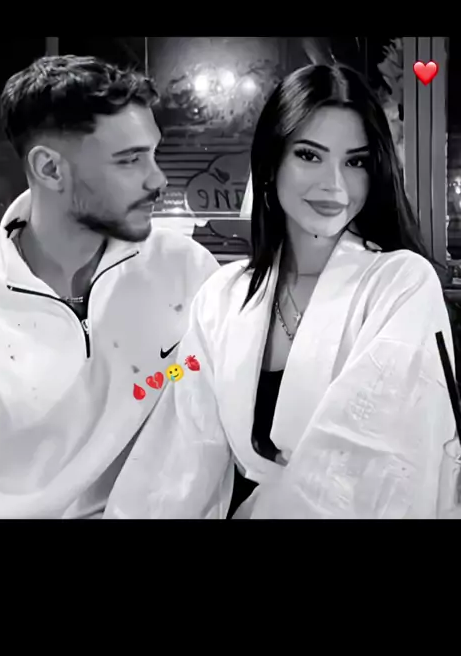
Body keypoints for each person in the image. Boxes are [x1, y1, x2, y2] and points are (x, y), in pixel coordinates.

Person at [105, 63, 456, 520]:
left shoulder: (402, 283)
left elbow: (372, 465)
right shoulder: (222, 297)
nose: (334, 185)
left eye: (356, 162)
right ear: (271, 163)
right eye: (309, 155)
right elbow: (178, 454)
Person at [0, 55, 219, 519]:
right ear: (50, 170)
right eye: (129, 160)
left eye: (153, 153)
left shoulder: (187, 269)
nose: (158, 179)